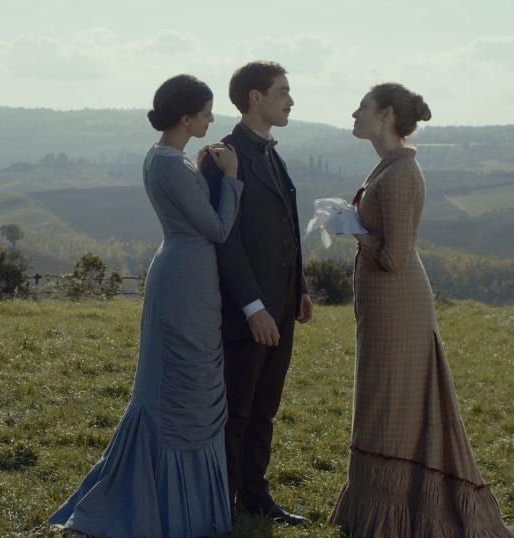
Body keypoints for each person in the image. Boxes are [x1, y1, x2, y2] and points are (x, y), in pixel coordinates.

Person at [48, 74, 243, 537]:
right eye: (206, 113)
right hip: (184, 278)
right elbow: (217, 229)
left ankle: (187, 501)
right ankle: (155, 500)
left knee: (192, 375)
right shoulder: (169, 164)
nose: (212, 120)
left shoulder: (168, 159)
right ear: (186, 118)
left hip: (187, 274)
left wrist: (200, 169)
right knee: (178, 380)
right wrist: (233, 179)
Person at [329, 82, 514, 537]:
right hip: (387, 301)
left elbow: (393, 256)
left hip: (397, 301)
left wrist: (352, 228)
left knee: (390, 401)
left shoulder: (399, 173)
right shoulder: (388, 167)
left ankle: (398, 510)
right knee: (384, 397)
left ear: (386, 115)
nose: (354, 113)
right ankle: (381, 507)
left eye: (363, 106)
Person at [199, 60, 311, 525]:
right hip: (246, 310)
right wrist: (252, 307)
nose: (291, 100)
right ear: (255, 98)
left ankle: (255, 497)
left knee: (265, 406)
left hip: (282, 304)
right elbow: (225, 241)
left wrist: (299, 287)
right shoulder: (221, 157)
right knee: (238, 409)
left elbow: (286, 226)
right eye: (283, 91)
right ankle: (220, 503)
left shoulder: (271, 153)